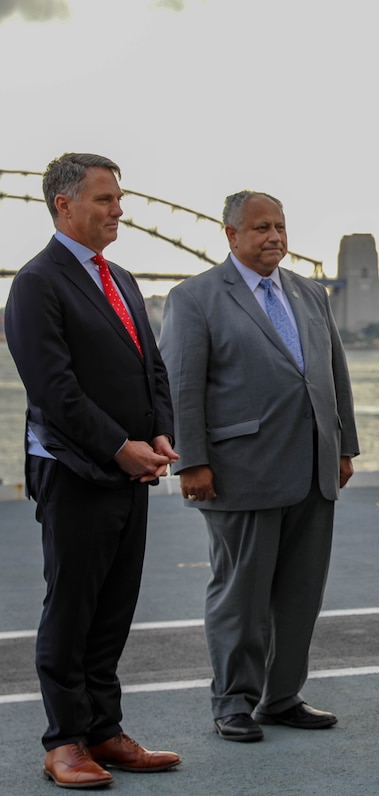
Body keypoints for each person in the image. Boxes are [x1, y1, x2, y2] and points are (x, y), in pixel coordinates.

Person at [5, 153, 181, 787]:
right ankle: (65, 741)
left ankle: (105, 731)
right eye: (105, 199)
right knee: (72, 608)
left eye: (119, 198)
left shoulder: (125, 278)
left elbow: (151, 368)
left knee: (114, 607)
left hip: (129, 469)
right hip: (76, 470)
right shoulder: (36, 282)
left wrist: (160, 431)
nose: (118, 210)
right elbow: (54, 389)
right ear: (64, 205)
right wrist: (118, 447)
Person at [159, 191, 360, 742]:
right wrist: (191, 462)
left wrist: (344, 446)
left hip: (313, 468)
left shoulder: (310, 294)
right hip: (239, 471)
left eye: (280, 226)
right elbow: (182, 387)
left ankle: (281, 696)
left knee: (300, 596)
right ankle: (233, 702)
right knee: (241, 598)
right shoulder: (194, 298)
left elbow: (333, 375)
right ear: (230, 235)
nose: (274, 237)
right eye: (260, 228)